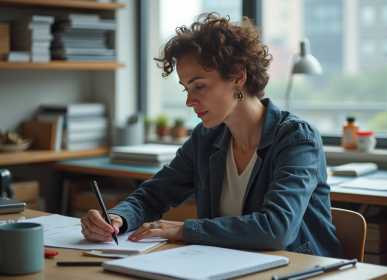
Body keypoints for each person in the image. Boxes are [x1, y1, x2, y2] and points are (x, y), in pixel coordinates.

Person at [80, 13, 344, 257]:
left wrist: (184, 230)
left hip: (301, 269)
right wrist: (117, 218)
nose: (189, 101)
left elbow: (276, 230)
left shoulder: (296, 138)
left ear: (238, 76)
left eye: (199, 86)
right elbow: (153, 195)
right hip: (229, 265)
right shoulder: (205, 139)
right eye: (186, 89)